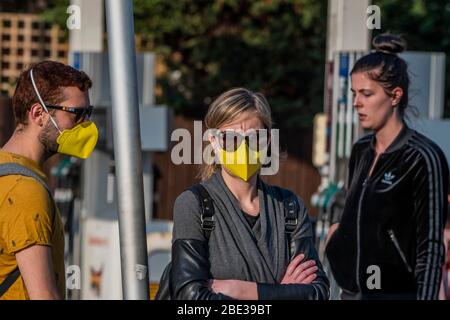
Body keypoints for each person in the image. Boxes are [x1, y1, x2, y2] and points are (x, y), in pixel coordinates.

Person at [169, 88, 329, 300]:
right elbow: (190, 297)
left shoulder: (290, 207)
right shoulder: (194, 204)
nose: (243, 147)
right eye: (230, 138)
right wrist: (282, 292)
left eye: (254, 138)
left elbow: (317, 293)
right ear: (215, 143)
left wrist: (237, 289)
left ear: (268, 141)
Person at [325, 34, 449, 300]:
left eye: (366, 94)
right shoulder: (360, 150)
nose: (357, 102)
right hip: (351, 295)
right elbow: (348, 207)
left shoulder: (423, 157)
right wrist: (335, 240)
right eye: (354, 93)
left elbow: (431, 247)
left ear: (395, 96)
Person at [0, 61, 98, 300]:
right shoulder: (25, 191)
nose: (85, 124)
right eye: (76, 114)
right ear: (38, 114)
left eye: (88, 112)